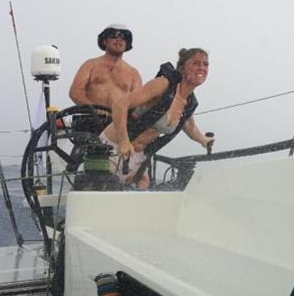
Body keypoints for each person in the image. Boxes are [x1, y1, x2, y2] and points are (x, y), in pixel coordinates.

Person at [99, 47, 214, 186]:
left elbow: (190, 127)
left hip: (138, 158)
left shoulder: (187, 103)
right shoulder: (163, 85)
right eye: (196, 63)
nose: (202, 67)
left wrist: (203, 140)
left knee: (141, 197)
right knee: (106, 190)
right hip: (112, 148)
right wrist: (124, 141)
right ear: (182, 68)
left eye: (205, 64)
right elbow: (120, 105)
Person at [69, 24, 142, 108]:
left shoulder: (133, 74)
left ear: (127, 44)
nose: (119, 40)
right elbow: (75, 92)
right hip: (90, 118)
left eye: (124, 37)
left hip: (119, 120)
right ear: (105, 41)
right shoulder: (90, 65)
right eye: (114, 36)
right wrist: (93, 109)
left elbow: (138, 102)